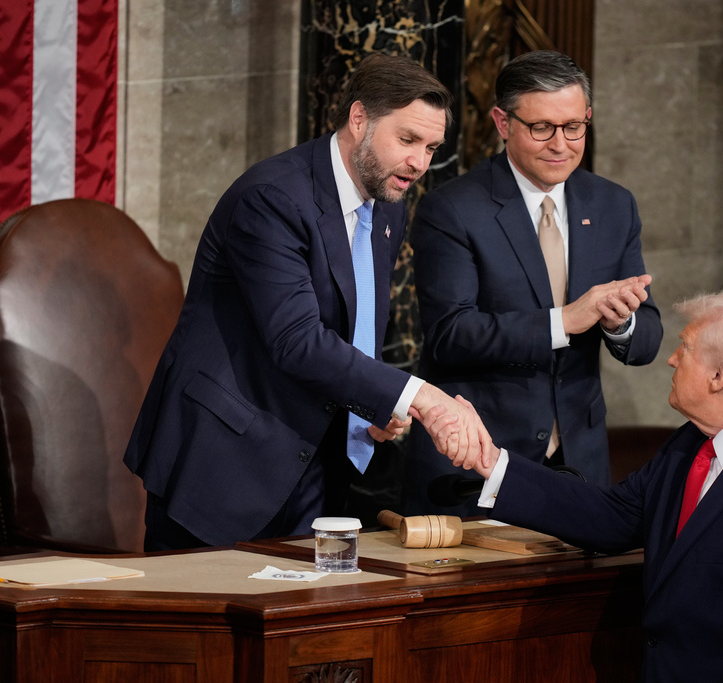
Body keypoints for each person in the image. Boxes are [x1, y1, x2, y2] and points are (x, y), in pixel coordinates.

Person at [124, 54, 489, 550]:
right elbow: (297, 340)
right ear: (359, 120)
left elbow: (354, 327)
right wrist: (421, 396)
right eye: (407, 140)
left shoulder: (387, 208)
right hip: (224, 463)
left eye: (432, 147)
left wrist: (374, 408)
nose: (420, 163)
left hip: (317, 467)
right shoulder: (272, 198)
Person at [415, 292, 723, 683]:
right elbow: (614, 517)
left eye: (685, 348)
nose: (671, 358)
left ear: (720, 377)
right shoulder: (690, 443)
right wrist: (491, 463)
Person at [404, 50, 663, 516]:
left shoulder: (612, 205)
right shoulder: (455, 209)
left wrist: (620, 322)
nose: (560, 144)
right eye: (541, 128)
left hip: (579, 464)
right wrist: (564, 321)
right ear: (503, 123)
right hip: (476, 459)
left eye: (573, 127)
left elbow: (645, 342)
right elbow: (450, 334)